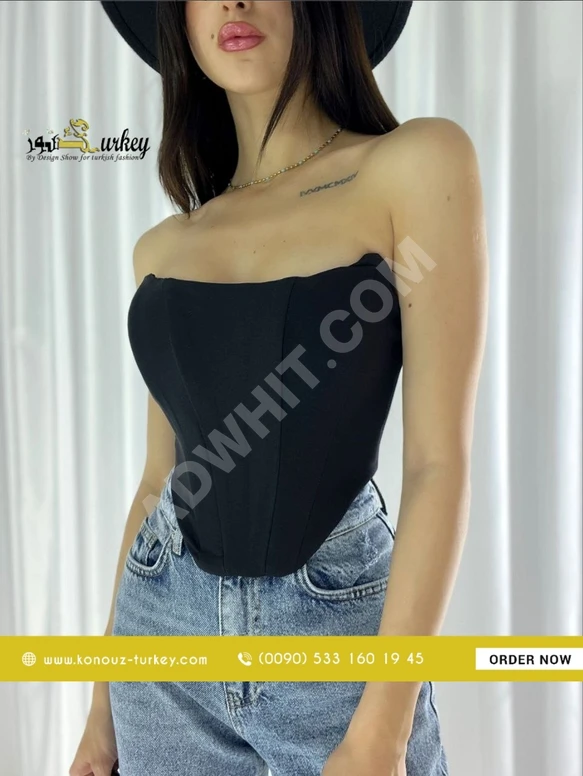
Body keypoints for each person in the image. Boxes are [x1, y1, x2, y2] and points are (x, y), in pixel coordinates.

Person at [70, 2, 488, 775]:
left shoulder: (413, 163)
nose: (233, 2)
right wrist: (101, 706)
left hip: (334, 632)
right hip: (160, 640)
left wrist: (382, 731)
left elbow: (438, 462)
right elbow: (158, 481)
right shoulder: (163, 247)